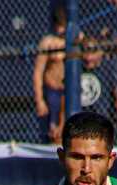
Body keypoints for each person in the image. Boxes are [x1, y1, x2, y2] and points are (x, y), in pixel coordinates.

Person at [34, 7, 68, 144]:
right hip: (52, 90)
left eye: (63, 25)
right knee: (53, 131)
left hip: (69, 91)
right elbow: (38, 72)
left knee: (66, 128)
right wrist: (40, 100)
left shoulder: (76, 39)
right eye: (59, 25)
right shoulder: (47, 42)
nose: (61, 30)